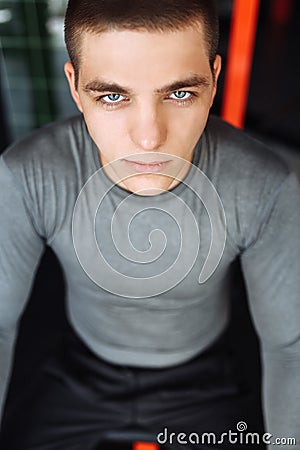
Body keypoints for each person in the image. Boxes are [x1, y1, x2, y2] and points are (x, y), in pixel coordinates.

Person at [0, 0, 299, 449]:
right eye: (113, 96)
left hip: (205, 384)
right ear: (76, 88)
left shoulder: (263, 184)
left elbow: (288, 346)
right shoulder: (30, 174)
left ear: (215, 81)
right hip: (79, 374)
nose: (148, 137)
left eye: (179, 93)